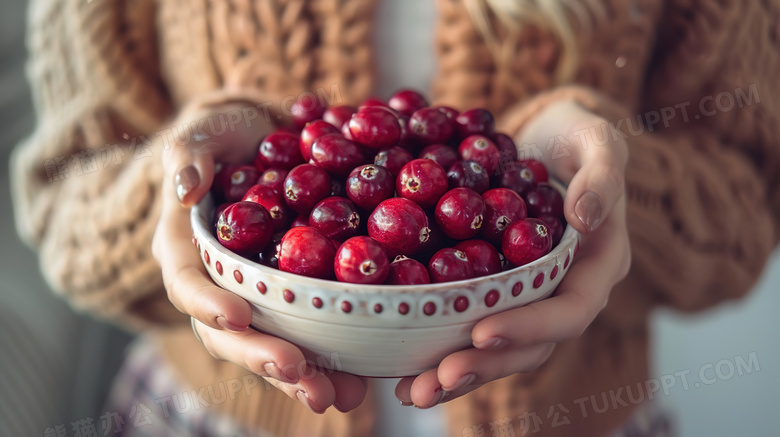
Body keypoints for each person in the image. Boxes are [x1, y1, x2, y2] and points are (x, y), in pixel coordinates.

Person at [10, 0, 779, 435]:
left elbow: (750, 200)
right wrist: (181, 198)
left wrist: (614, 193)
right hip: (209, 418)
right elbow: (61, 188)